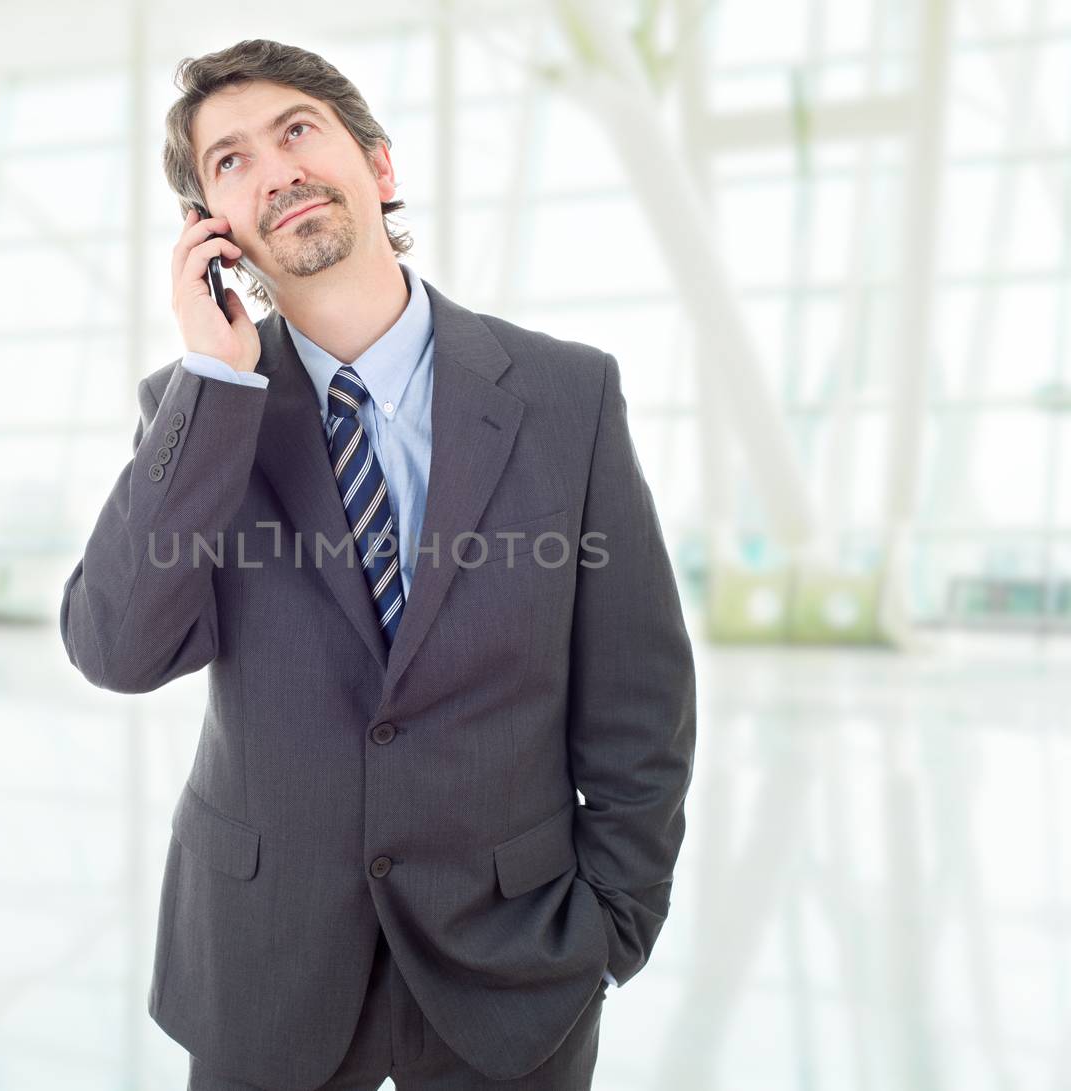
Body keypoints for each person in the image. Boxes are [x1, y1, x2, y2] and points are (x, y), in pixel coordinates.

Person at [59, 38, 696, 1091]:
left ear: (380, 166)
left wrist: (609, 928)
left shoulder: (565, 395)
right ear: (210, 229)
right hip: (265, 968)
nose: (275, 169)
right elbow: (117, 649)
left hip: (514, 970)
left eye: (297, 130)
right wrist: (211, 386)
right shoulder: (200, 411)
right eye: (230, 161)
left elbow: (639, 697)